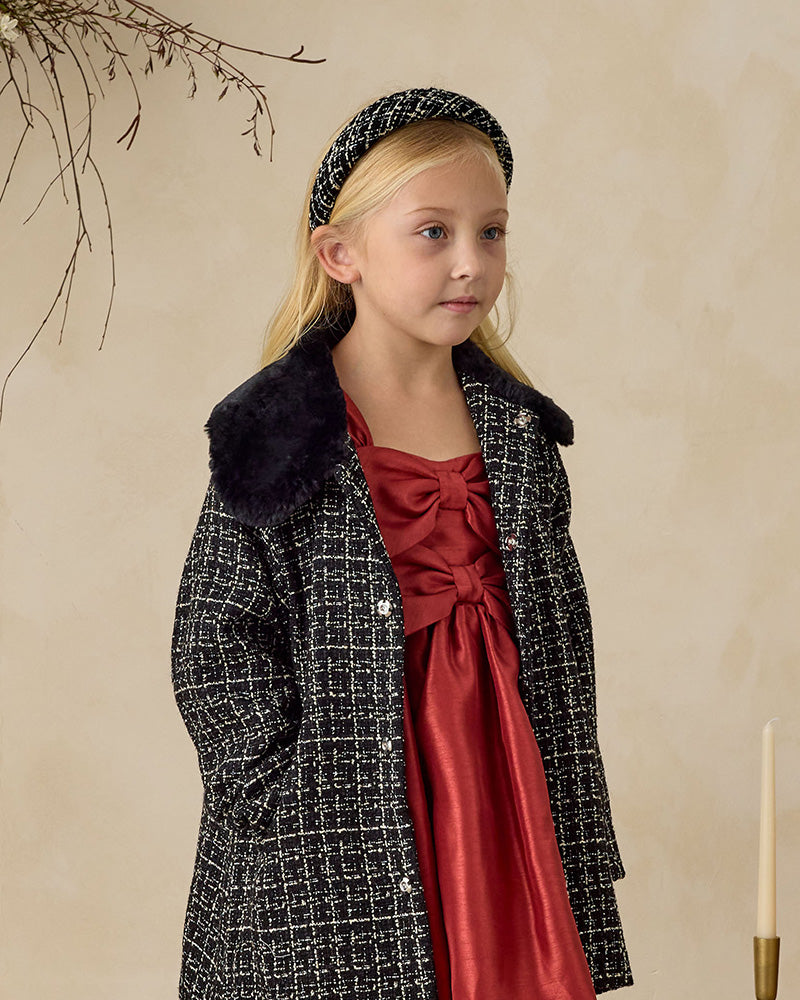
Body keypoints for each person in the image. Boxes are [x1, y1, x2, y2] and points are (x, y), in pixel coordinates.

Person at [171, 86, 633, 1000]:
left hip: (501, 788)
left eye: (491, 233)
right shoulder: (282, 426)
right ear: (340, 254)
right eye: (434, 233)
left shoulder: (519, 433)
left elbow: (563, 636)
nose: (471, 263)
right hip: (342, 802)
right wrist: (280, 796)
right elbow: (215, 637)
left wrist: (573, 802)